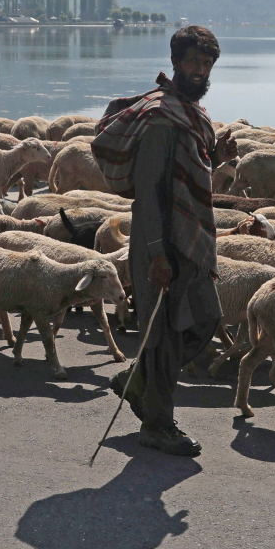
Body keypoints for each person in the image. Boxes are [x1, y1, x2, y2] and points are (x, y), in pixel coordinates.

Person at [92, 25, 236, 455]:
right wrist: (157, 254)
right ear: (175, 62)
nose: (200, 70)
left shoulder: (189, 114)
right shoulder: (160, 120)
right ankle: (158, 423)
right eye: (193, 61)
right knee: (163, 332)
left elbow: (186, 171)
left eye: (207, 63)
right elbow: (151, 190)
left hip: (188, 240)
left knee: (205, 319)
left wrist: (216, 156)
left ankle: (139, 381)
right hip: (163, 242)